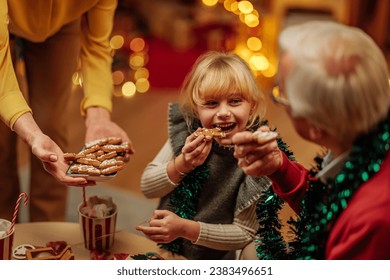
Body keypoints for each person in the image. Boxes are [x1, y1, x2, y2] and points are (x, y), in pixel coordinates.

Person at [232, 21, 390, 259]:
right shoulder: (368, 142)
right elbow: (330, 208)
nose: (279, 99)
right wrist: (280, 168)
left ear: (316, 127)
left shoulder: (372, 222)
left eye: (281, 95)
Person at [0, 0, 135, 222]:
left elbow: (98, 46)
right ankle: (4, 230)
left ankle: (48, 237)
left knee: (51, 127)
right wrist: (32, 135)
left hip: (62, 26)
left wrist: (98, 116)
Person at [136, 51, 275, 260]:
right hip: (171, 248)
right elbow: (147, 187)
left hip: (221, 255)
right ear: (197, 109)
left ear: (252, 106)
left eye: (235, 101)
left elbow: (244, 232)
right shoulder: (188, 132)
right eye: (211, 103)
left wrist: (185, 228)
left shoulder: (257, 153)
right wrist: (182, 164)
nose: (223, 112)